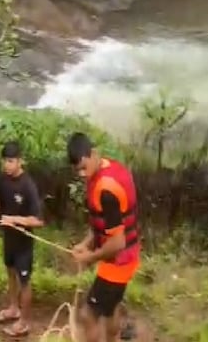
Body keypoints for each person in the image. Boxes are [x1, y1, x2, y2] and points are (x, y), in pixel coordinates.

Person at [67, 132, 140, 342]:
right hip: (127, 257)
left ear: (93, 153)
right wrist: (86, 244)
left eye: (83, 167)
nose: (81, 174)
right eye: (77, 170)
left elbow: (117, 242)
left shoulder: (106, 190)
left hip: (118, 262)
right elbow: (104, 226)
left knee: (87, 315)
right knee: (110, 309)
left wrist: (90, 257)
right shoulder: (109, 168)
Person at [0, 141, 44, 337]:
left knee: (24, 280)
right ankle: (13, 308)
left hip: (24, 243)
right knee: (10, 272)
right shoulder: (2, 180)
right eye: (4, 161)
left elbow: (38, 221)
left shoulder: (28, 185)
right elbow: (0, 199)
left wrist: (14, 219)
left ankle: (23, 322)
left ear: (20, 161)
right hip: (9, 239)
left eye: (11, 161)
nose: (7, 165)